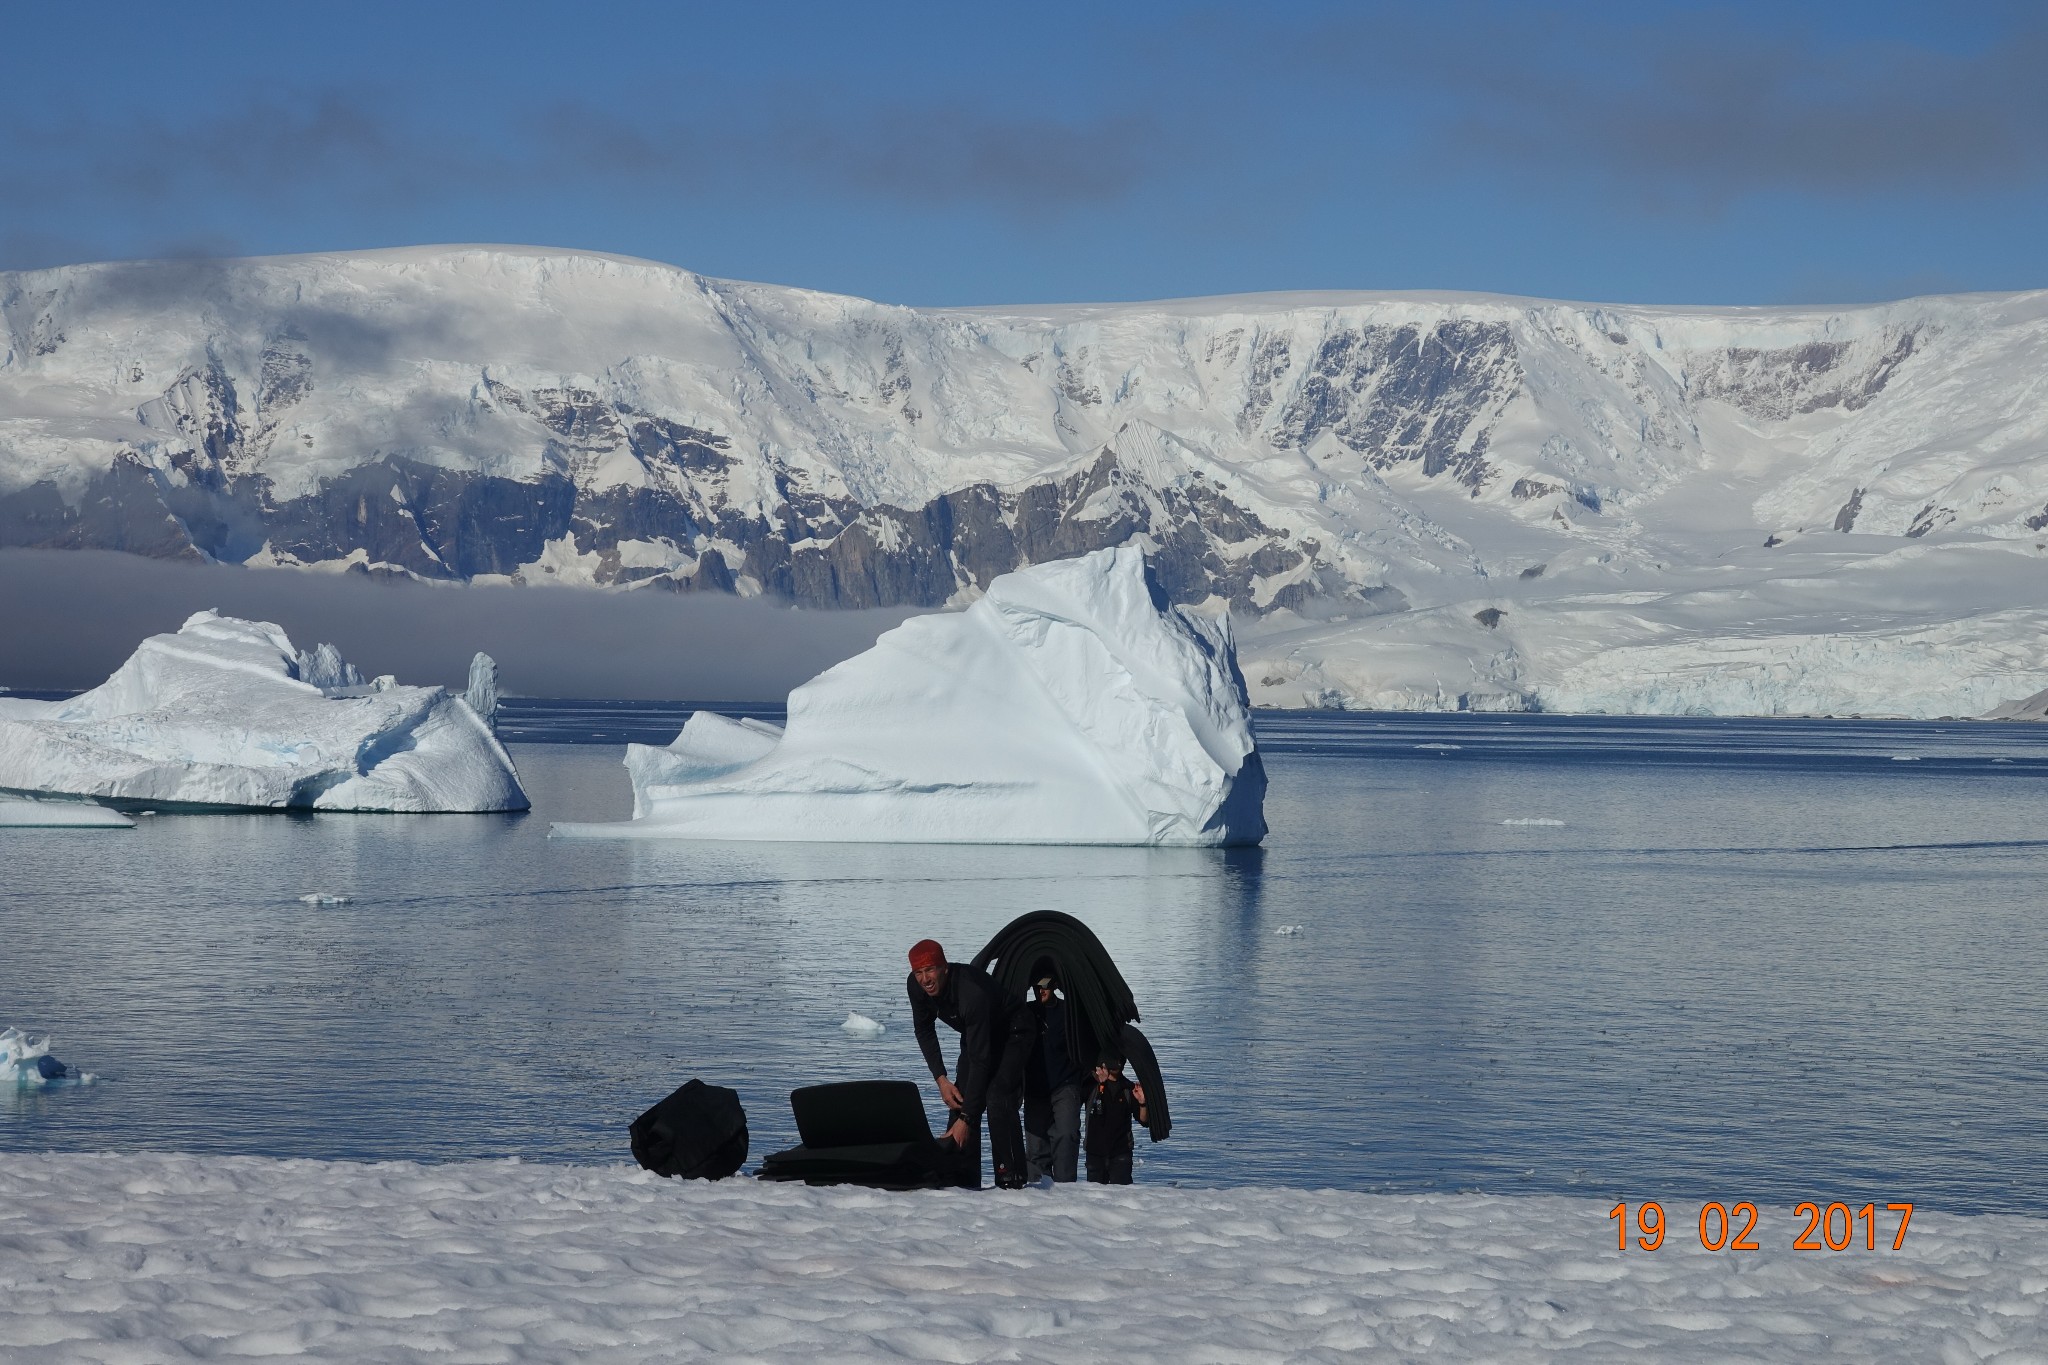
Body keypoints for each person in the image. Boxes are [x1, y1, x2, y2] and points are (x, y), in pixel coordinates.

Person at [906, 938, 1037, 1189]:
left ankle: (1011, 1177)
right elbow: (923, 1029)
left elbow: (980, 1061)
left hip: (1013, 1031)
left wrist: (967, 1119)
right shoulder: (916, 986)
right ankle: (961, 1178)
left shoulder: (970, 992)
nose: (925, 979)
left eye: (930, 970)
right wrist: (941, 1079)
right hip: (976, 1032)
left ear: (944, 967)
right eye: (919, 972)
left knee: (997, 1094)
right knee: (959, 1096)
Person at [1023, 972, 1085, 1183]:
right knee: (1035, 1145)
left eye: (1046, 986)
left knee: (1066, 1135)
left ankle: (1066, 1190)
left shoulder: (1070, 1012)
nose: (1041, 991)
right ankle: (1037, 1200)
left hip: (1065, 1083)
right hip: (1035, 1088)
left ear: (1055, 986)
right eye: (1036, 987)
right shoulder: (1026, 1012)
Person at [1083, 1051, 1147, 1185]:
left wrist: (1142, 1102)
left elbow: (1144, 1120)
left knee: (1122, 1197)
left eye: (1120, 1062)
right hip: (1095, 1153)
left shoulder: (1128, 1089)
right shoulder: (1091, 1086)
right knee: (1095, 1198)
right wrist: (1099, 1080)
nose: (1116, 1065)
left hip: (1121, 1152)